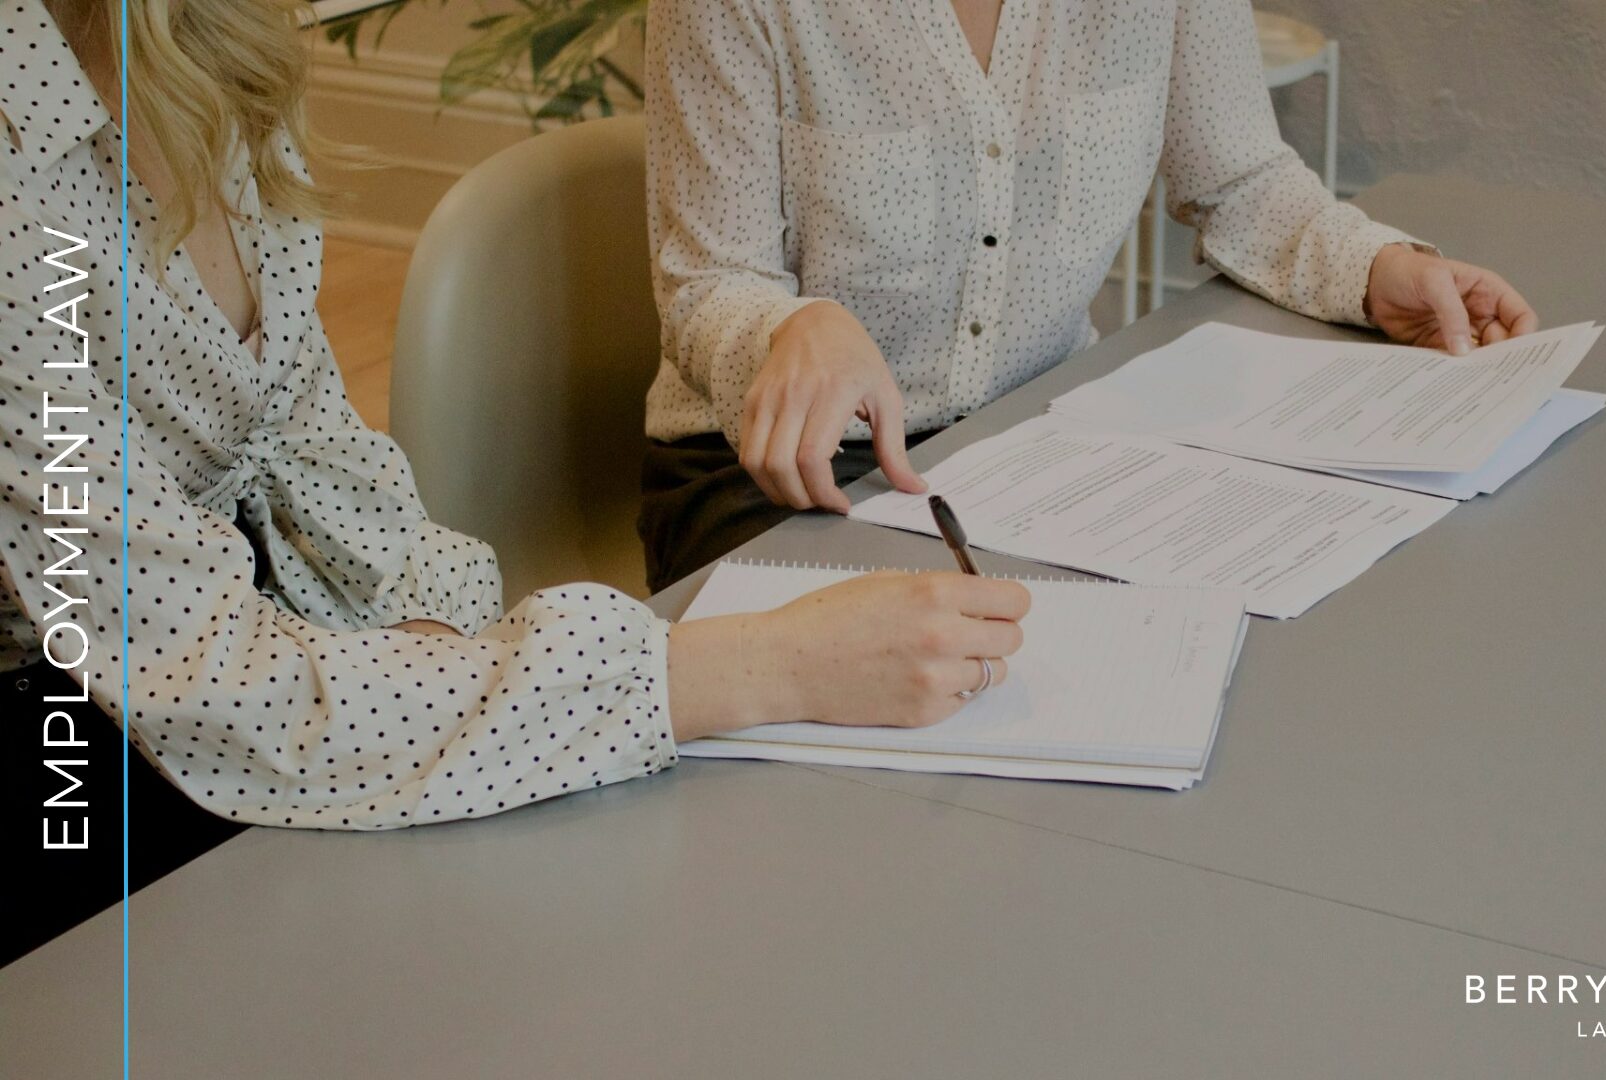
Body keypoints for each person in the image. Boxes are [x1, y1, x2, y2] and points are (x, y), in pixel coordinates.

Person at [0, 0, 1028, 964]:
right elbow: (216, 686)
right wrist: (763, 669)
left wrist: (437, 637)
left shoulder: (210, 57)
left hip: (247, 671)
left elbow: (311, 451)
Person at [640, 0, 1540, 590]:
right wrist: (792, 328)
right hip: (779, 475)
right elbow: (708, 281)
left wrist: (1377, 268)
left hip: (1033, 445)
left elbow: (1238, 178)